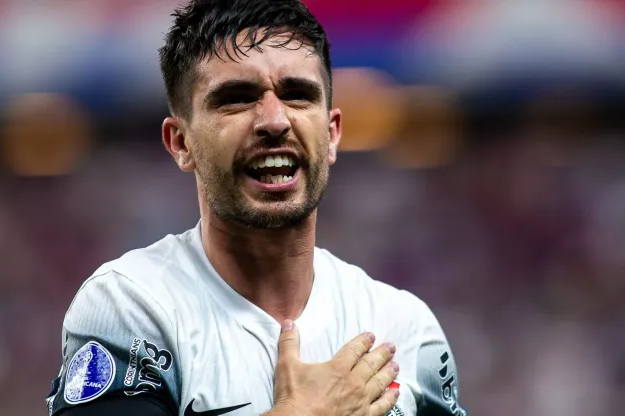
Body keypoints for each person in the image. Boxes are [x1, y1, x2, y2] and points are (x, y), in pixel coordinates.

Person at [46, 1, 467, 415]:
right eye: (237, 98)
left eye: (298, 95)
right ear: (181, 143)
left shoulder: (405, 329)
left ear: (333, 134)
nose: (274, 120)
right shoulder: (131, 306)